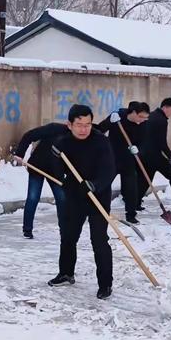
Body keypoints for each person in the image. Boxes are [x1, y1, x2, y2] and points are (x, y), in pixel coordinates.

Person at [49, 104, 116, 300]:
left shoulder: (101, 142)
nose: (84, 129)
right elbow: (58, 172)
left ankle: (105, 284)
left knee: (99, 241)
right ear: (69, 125)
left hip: (98, 197)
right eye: (79, 124)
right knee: (68, 236)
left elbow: (109, 169)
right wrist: (55, 159)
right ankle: (66, 273)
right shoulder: (63, 143)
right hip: (74, 197)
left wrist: (95, 185)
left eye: (87, 124)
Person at [97, 101, 150, 224]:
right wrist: (110, 121)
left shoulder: (143, 124)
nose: (143, 120)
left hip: (129, 160)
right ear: (132, 112)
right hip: (112, 159)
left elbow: (145, 143)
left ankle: (131, 215)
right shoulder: (118, 117)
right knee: (103, 186)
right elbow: (99, 130)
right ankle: (99, 211)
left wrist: (138, 150)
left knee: (131, 188)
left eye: (145, 118)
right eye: (141, 116)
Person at [14, 122, 69, 239]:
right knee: (33, 198)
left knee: (62, 198)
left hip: (56, 172)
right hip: (38, 167)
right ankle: (27, 230)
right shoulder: (54, 129)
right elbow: (29, 135)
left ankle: (65, 230)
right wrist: (20, 154)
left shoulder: (78, 140)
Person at [138, 98, 171, 210]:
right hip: (154, 155)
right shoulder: (161, 120)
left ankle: (135, 201)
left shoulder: (150, 116)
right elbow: (162, 142)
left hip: (144, 154)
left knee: (145, 179)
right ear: (165, 107)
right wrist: (170, 155)